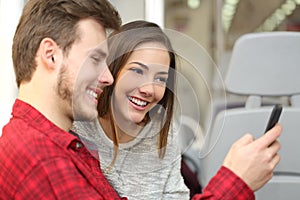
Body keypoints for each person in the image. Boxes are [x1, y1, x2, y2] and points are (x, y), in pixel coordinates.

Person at [72, 20, 282, 200]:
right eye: (137, 71)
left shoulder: (161, 129)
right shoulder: (78, 131)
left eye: (161, 78)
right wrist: (236, 181)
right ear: (112, 70)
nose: (149, 89)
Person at [0, 0, 128, 199]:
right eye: (95, 59)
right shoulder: (43, 160)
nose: (108, 78)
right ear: (51, 55)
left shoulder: (55, 145)